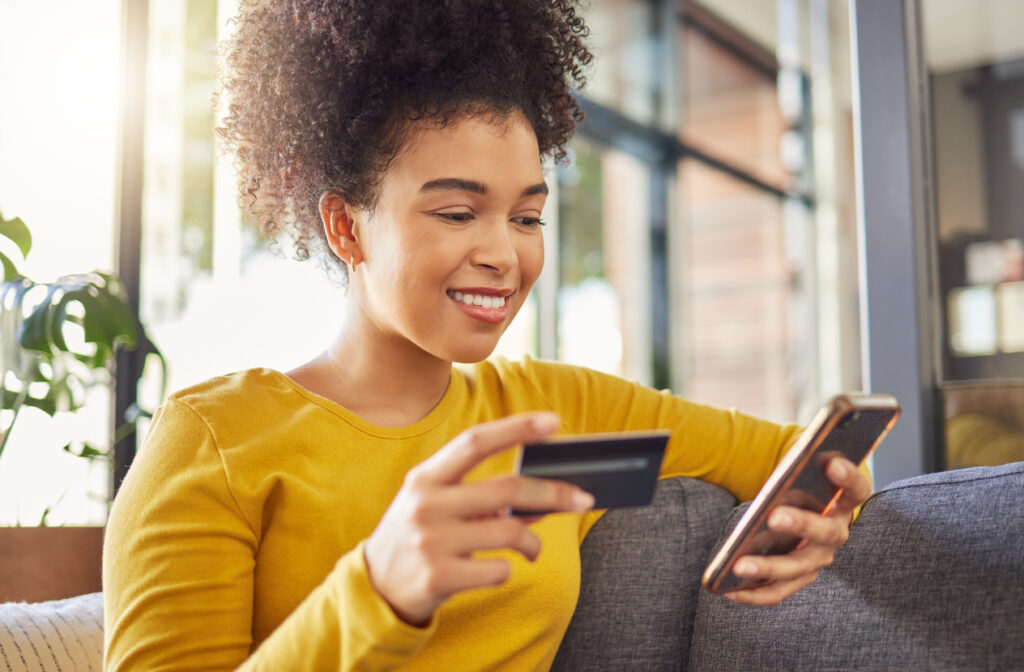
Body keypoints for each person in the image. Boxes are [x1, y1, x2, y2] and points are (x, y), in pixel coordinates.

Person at [102, 1, 871, 670]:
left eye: (528, 217)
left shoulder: (557, 411)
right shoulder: (214, 444)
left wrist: (827, 514)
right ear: (345, 226)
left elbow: (805, 463)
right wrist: (380, 592)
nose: (505, 254)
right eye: (456, 213)